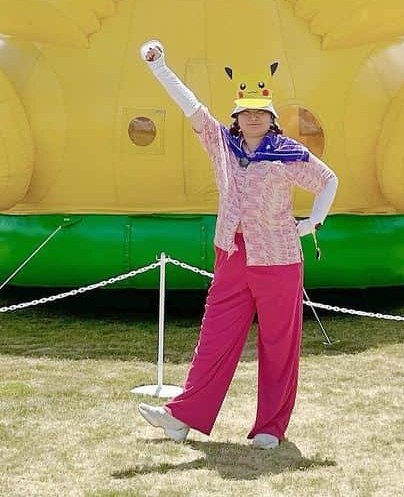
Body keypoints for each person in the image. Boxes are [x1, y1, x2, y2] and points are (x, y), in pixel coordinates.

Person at [136, 39, 338, 450]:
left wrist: (312, 222)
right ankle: (182, 415)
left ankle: (271, 426)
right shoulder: (222, 146)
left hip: (278, 258)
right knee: (214, 337)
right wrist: (160, 67)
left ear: (271, 118)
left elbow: (328, 179)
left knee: (279, 343)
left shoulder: (286, 153)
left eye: (260, 113)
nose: (253, 119)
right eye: (246, 113)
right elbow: (191, 107)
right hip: (231, 253)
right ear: (236, 117)